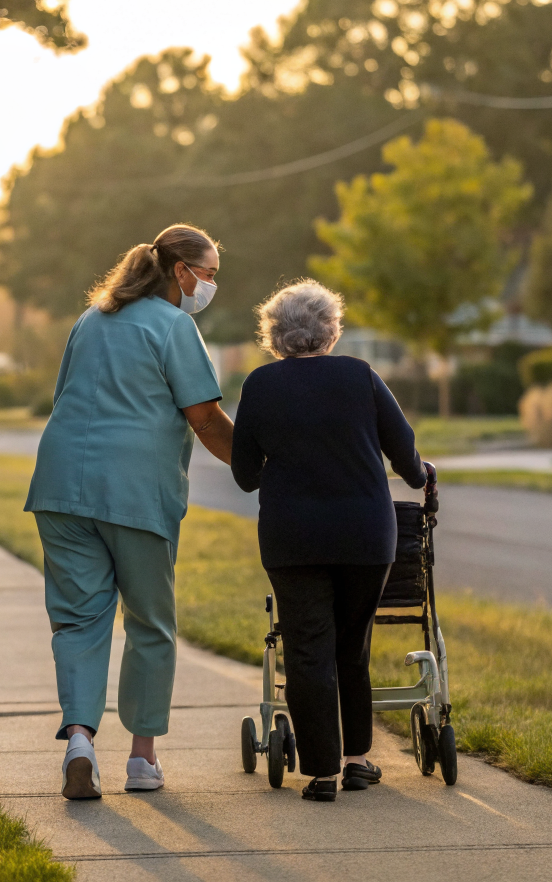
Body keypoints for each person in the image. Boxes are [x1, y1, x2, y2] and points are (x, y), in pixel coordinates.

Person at [25, 223, 234, 800]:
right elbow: (207, 419)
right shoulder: (175, 326)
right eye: (208, 274)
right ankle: (142, 759)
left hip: (61, 488)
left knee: (78, 620)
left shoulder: (91, 319)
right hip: (134, 492)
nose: (211, 285)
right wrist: (264, 467)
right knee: (150, 622)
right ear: (180, 272)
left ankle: (80, 743)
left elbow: (66, 395)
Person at [230, 279, 432, 802]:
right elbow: (404, 450)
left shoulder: (259, 385)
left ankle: (321, 772)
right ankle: (357, 760)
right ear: (330, 330)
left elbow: (246, 475)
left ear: (274, 334)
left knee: (307, 649)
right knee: (351, 646)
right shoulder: (360, 376)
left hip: (292, 536)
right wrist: (420, 475)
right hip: (365, 534)